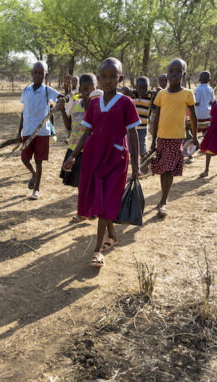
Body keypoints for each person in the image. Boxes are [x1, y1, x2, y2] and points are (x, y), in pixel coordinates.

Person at [63, 58, 141, 268]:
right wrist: (73, 155)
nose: (108, 81)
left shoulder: (126, 103)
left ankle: (97, 250)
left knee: (108, 201)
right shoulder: (95, 104)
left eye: (112, 76)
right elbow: (86, 131)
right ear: (98, 79)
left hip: (116, 159)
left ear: (120, 78)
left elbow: (132, 134)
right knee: (100, 199)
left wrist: (136, 164)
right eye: (104, 77)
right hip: (94, 157)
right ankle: (112, 236)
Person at [150, 58, 198, 218]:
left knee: (169, 169)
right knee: (163, 169)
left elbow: (193, 116)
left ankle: (163, 201)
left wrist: (195, 136)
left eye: (178, 71)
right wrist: (153, 140)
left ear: (183, 74)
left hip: (177, 138)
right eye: (171, 71)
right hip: (162, 137)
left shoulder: (187, 94)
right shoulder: (161, 94)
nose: (173, 74)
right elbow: (156, 118)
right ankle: (163, 196)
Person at [58, 73, 99, 222]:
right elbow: (69, 126)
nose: (86, 93)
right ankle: (84, 211)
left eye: (90, 89)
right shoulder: (75, 105)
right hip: (75, 149)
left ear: (96, 88)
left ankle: (90, 210)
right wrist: (62, 109)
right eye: (84, 89)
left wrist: (89, 102)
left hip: (91, 150)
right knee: (81, 185)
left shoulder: (98, 106)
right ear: (79, 89)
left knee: (91, 183)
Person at [18, 61, 60, 199]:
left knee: (39, 160)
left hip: (42, 132)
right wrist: (19, 131)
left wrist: (64, 97)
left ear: (45, 75)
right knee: (24, 158)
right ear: (32, 74)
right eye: (35, 72)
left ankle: (36, 189)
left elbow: (60, 97)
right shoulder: (26, 90)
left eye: (41, 73)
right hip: (28, 131)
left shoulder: (47, 91)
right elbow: (24, 112)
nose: (37, 75)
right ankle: (35, 174)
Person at [133, 76, 153, 161]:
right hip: (132, 128)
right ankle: (135, 164)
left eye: (145, 88)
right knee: (132, 148)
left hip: (143, 127)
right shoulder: (132, 95)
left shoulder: (150, 96)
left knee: (143, 146)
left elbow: (158, 93)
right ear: (136, 87)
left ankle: (143, 162)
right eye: (140, 88)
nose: (142, 91)